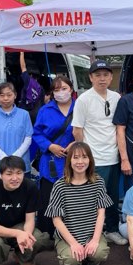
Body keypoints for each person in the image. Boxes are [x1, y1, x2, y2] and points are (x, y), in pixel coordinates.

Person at [72, 60, 125, 246]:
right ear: (91, 77)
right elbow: (77, 130)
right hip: (94, 158)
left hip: (113, 157)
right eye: (97, 75)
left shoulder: (116, 97)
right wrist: (84, 156)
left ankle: (111, 230)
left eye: (105, 75)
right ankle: (90, 233)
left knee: (111, 196)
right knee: (91, 197)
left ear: (111, 77)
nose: (102, 79)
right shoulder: (83, 100)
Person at [45, 142, 113, 265]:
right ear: (69, 161)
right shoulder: (60, 186)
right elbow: (57, 220)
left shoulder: (98, 182)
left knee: (99, 254)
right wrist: (73, 244)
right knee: (71, 260)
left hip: (90, 234)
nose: (80, 162)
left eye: (84, 157)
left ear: (90, 160)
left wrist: (95, 240)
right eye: (75, 157)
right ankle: (72, 258)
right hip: (68, 236)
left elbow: (101, 214)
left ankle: (90, 258)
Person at [32, 76, 76, 238]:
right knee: (49, 197)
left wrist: (75, 144)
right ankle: (48, 235)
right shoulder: (45, 110)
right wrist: (50, 146)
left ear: (71, 89)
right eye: (57, 90)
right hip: (51, 160)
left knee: (73, 196)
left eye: (64, 88)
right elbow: (36, 133)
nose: (61, 93)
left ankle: (72, 233)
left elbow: (88, 129)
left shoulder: (80, 107)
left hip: (75, 159)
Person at [0, 82, 33, 179]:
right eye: (2, 95)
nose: (5, 98)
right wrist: (5, 159)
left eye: (9, 95)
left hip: (21, 164)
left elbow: (28, 138)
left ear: (15, 95)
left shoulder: (24, 114)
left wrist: (15, 157)